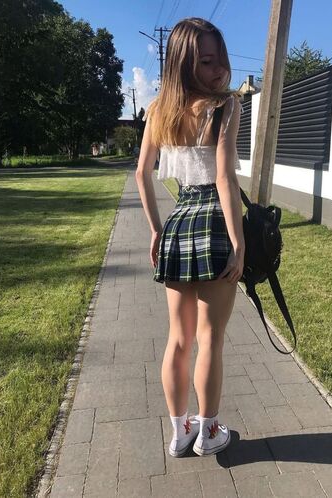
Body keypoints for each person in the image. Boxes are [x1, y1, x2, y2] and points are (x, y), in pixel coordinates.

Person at [135, 17, 244, 457]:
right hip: (214, 223)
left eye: (220, 59)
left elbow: (142, 174)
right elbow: (224, 178)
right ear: (184, 63)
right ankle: (210, 432)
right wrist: (238, 241)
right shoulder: (226, 106)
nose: (218, 70)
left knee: (178, 339)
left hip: (178, 224)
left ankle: (179, 431)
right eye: (206, 61)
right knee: (210, 338)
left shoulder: (158, 109)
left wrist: (156, 229)